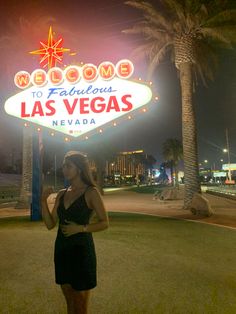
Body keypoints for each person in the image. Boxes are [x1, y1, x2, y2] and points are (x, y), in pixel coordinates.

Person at [41, 151, 109, 314]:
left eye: (68, 166)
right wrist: (43, 200)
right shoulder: (62, 194)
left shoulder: (91, 192)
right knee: (69, 298)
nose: (64, 169)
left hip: (81, 251)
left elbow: (105, 223)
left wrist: (80, 228)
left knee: (80, 302)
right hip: (62, 250)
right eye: (63, 166)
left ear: (78, 169)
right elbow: (50, 224)